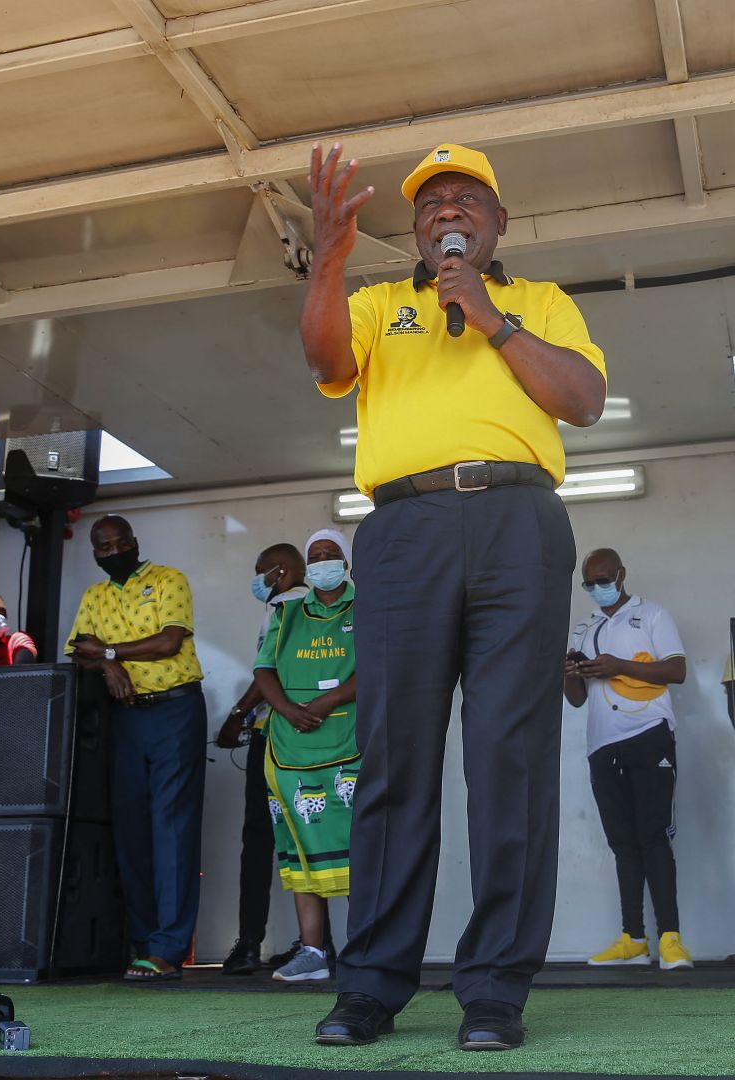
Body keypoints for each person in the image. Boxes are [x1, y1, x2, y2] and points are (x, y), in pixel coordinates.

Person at [300, 142, 606, 1049]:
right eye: (430, 204)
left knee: (509, 758)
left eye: (465, 200)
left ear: (498, 222)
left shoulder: (541, 304)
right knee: (394, 758)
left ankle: (495, 990)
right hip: (403, 529)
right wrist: (327, 255)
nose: (446, 214)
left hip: (520, 523)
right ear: (418, 229)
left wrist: (491, 318)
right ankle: (371, 985)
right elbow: (321, 361)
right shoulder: (375, 304)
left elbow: (583, 400)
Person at [67, 515, 205, 982]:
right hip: (124, 718)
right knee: (131, 831)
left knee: (172, 828)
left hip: (175, 711)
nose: (111, 552)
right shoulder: (94, 596)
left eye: (118, 543)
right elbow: (78, 651)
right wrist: (106, 668)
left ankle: (169, 948)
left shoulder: (169, 579)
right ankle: (145, 944)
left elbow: (168, 642)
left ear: (134, 542)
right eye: (101, 547)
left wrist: (108, 655)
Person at [564, 548, 691, 970]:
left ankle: (670, 939)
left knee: (654, 837)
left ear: (621, 574)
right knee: (622, 843)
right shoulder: (583, 629)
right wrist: (569, 675)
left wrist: (618, 666)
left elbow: (676, 671)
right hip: (602, 744)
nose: (597, 588)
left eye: (604, 579)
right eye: (589, 583)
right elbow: (578, 701)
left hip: (649, 735)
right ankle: (633, 938)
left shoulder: (651, 615)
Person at [253, 530, 359, 983]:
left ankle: (367, 950)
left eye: (330, 555)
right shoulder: (286, 611)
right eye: (315, 556)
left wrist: (325, 702)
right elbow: (263, 668)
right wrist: (288, 709)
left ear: (347, 563)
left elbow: (380, 666)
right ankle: (313, 953)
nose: (321, 562)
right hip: (289, 745)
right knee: (298, 847)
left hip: (348, 746)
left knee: (361, 849)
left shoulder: (367, 607)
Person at [218, 543, 308, 975]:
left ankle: (249, 944)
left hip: (272, 734)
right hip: (306, 740)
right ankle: (316, 944)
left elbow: (265, 670)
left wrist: (236, 716)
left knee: (259, 840)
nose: (257, 581)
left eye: (260, 572)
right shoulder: (316, 608)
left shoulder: (285, 606)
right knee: (308, 837)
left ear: (280, 569)